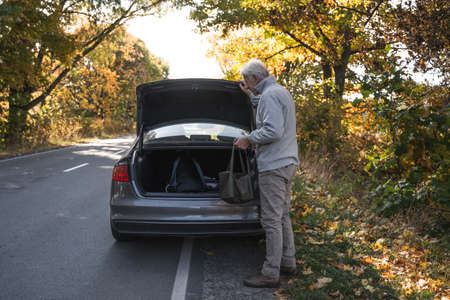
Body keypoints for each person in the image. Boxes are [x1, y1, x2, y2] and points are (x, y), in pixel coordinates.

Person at [234, 59, 299, 288]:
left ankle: (270, 272)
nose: (247, 83)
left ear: (255, 77)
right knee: (282, 215)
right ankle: (288, 262)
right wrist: (249, 96)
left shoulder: (270, 96)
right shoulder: (280, 92)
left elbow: (273, 130)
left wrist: (248, 139)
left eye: (247, 80)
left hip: (274, 165)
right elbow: (268, 109)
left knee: (271, 219)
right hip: (287, 162)